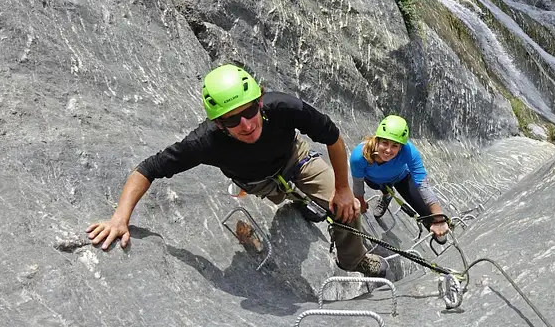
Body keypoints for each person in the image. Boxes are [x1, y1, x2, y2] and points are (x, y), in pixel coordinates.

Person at [87, 64, 388, 278]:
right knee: (289, 196)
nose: (246, 124)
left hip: (296, 159)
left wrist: (343, 190)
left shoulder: (283, 107)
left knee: (347, 211)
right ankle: (300, 200)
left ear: (259, 101)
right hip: (258, 182)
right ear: (218, 124)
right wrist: (120, 218)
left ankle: (353, 260)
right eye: (232, 121)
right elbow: (148, 169)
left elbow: (332, 136)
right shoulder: (204, 142)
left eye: (248, 111)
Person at [350, 115, 450, 242]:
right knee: (376, 185)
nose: (388, 150)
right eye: (385, 143)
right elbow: (358, 183)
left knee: (426, 211)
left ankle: (437, 233)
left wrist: (438, 218)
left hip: (401, 178)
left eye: (394, 146)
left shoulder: (409, 151)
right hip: (375, 181)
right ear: (377, 140)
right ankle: (387, 195)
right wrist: (360, 202)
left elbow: (422, 184)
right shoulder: (359, 156)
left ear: (401, 147)